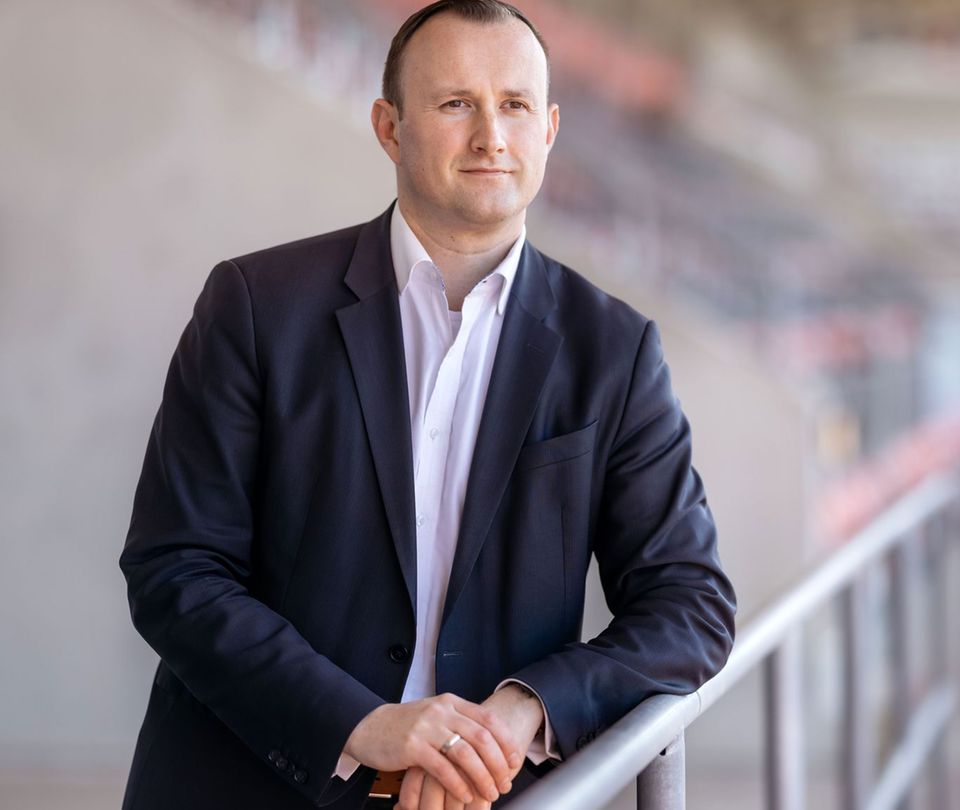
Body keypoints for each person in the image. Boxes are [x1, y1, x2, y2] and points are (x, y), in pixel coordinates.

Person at [117, 2, 737, 808]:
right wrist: (360, 722)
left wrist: (525, 711)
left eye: (514, 105)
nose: (491, 136)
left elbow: (690, 606)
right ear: (389, 127)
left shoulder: (614, 352)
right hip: (249, 785)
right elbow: (176, 569)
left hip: (482, 795)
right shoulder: (255, 306)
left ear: (549, 129)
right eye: (455, 104)